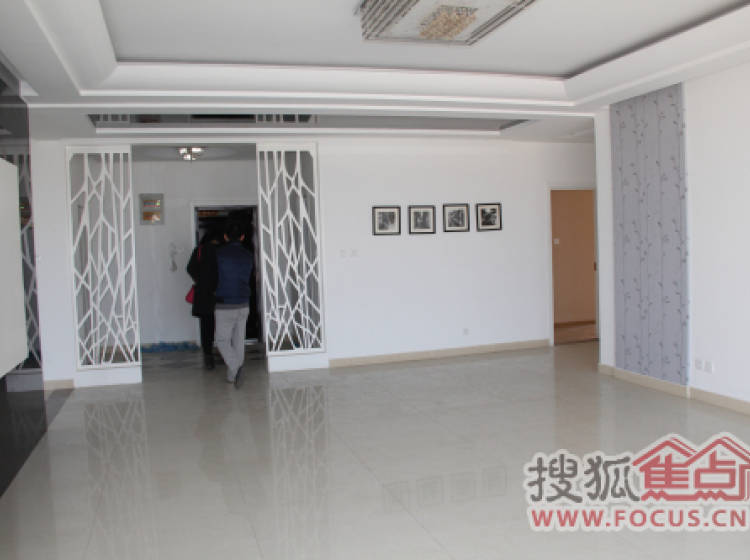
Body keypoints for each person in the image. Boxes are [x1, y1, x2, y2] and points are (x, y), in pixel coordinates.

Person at [214, 220, 253, 387]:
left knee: (222, 341)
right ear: (242, 237)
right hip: (243, 303)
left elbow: (214, 277)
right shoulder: (248, 255)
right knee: (238, 340)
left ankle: (236, 369)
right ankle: (232, 376)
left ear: (225, 237)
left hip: (225, 303)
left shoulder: (219, 254)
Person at [186, 229, 220, 369]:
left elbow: (190, 268)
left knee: (206, 326)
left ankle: (208, 355)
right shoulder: (220, 250)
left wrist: (200, 280)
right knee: (223, 324)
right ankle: (225, 351)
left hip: (203, 294)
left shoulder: (199, 250)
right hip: (219, 293)